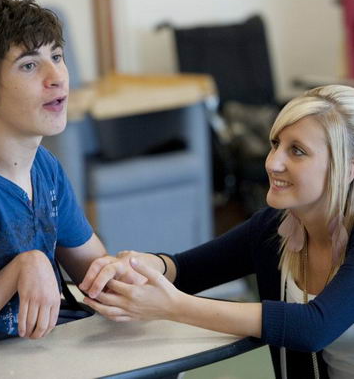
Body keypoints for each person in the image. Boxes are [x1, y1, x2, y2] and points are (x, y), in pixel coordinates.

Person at [79, 84, 354, 379]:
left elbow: (313, 326)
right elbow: (186, 269)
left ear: (349, 168)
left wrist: (173, 306)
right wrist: (141, 265)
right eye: (275, 144)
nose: (273, 163)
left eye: (297, 151)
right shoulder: (274, 229)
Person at [0, 0, 127, 346]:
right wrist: (19, 269)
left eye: (56, 56)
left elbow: (95, 272)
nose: (56, 76)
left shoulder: (44, 167)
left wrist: (130, 274)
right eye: (29, 65)